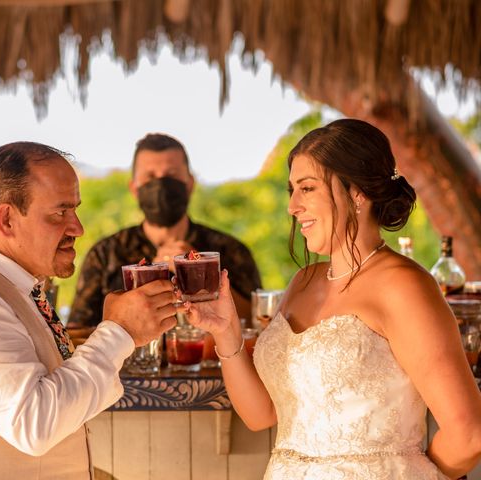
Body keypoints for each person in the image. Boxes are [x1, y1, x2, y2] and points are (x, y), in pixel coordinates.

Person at [184, 119, 481, 479]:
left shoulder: (405, 287)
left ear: (356, 192)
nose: (293, 206)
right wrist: (226, 332)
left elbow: (469, 434)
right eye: (292, 190)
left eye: (307, 188)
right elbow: (260, 415)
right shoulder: (302, 282)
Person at [0, 142, 178, 479]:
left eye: (74, 210)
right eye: (60, 212)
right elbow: (33, 425)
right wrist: (118, 331)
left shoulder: (14, 290)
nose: (77, 227)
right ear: (6, 219)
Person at [69, 133, 261, 327]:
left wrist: (203, 277)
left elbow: (257, 321)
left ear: (190, 184)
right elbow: (77, 333)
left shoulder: (229, 249)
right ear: (134, 188)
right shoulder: (105, 254)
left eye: (171, 176)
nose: (160, 185)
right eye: (150, 177)